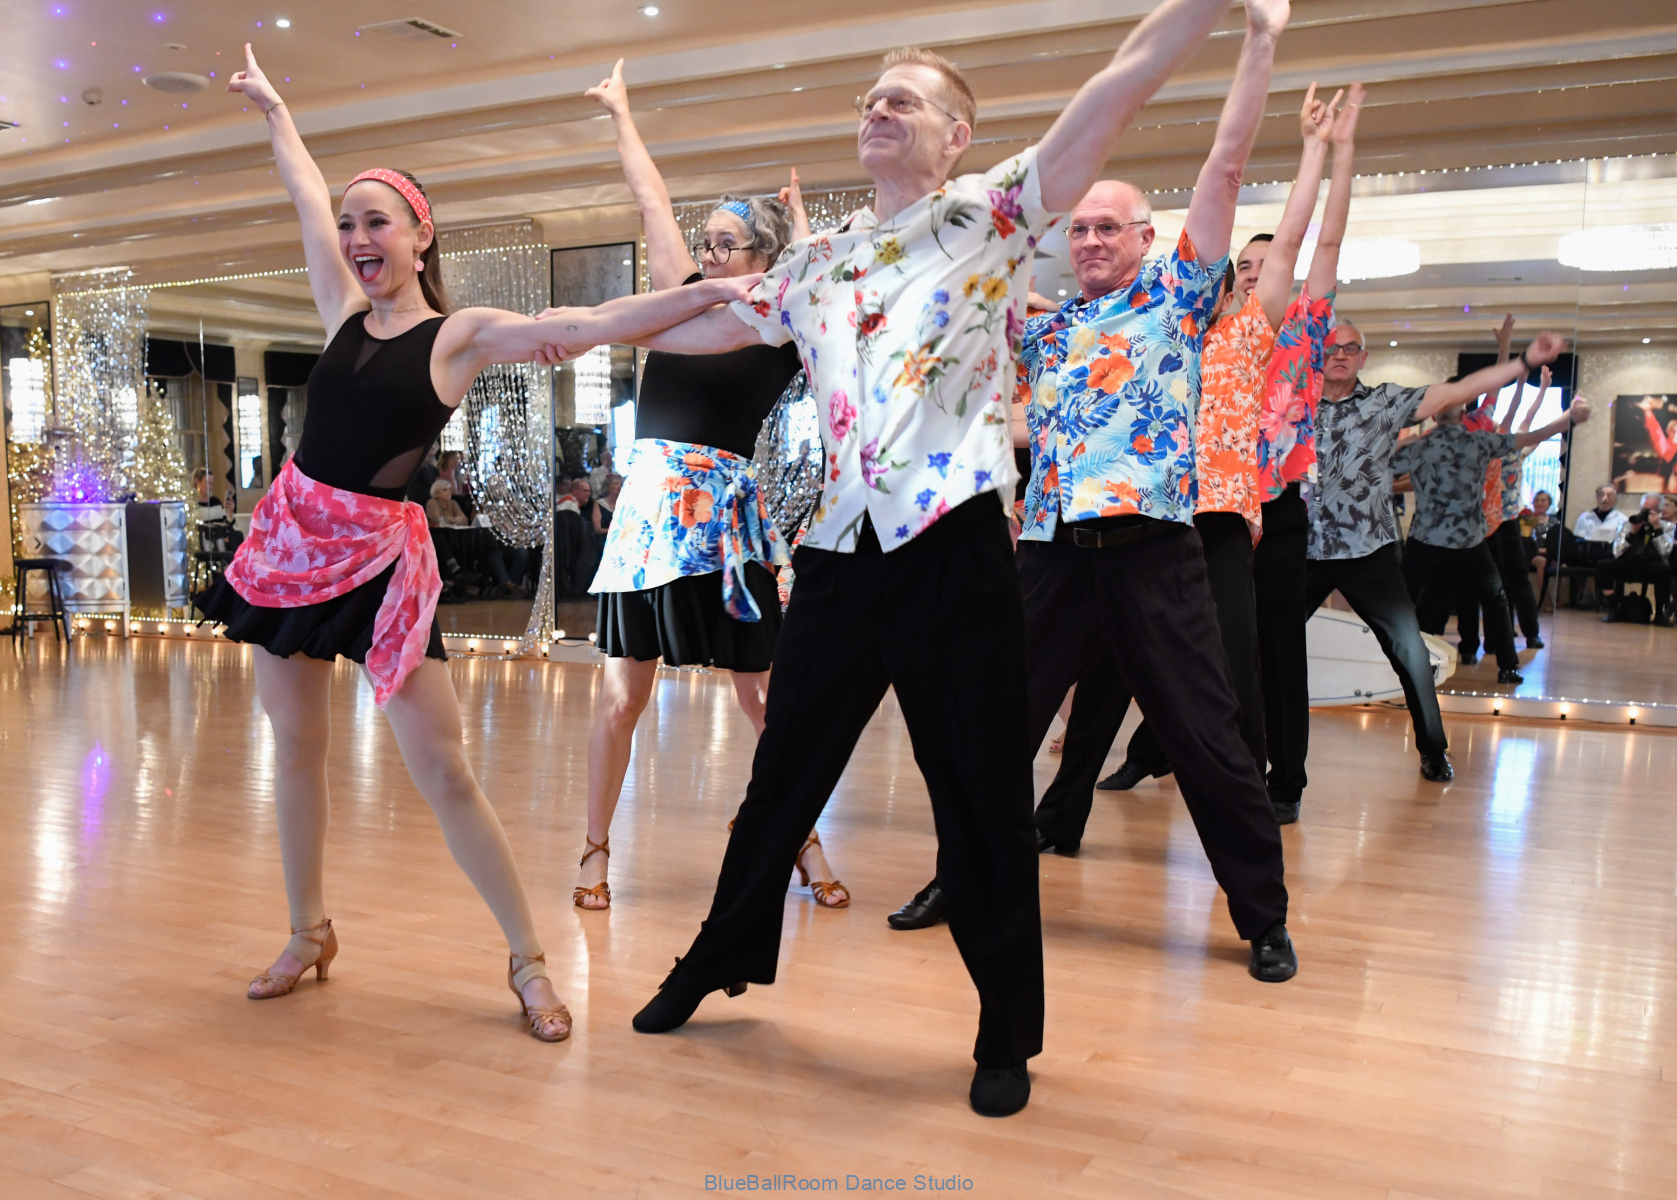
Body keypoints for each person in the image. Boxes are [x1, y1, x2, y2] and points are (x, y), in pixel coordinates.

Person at [588, 0, 1241, 1118]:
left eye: (904, 99)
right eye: (870, 99)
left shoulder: (990, 214)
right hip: (840, 552)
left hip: (952, 547)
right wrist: (563, 330)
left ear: (954, 136)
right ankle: (717, 956)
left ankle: (1004, 1029)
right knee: (782, 775)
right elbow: (699, 329)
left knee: (980, 793)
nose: (878, 109)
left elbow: (1118, 87)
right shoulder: (819, 260)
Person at [202, 45, 760, 1043]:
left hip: (382, 564)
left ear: (422, 236)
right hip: (290, 546)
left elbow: (594, 322)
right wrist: (276, 111)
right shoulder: (340, 314)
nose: (355, 237)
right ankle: (308, 931)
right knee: (296, 747)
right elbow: (301, 192)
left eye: (377, 221)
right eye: (349, 224)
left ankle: (528, 960)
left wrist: (710, 294)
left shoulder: (456, 336)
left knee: (445, 770)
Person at [567, 60, 847, 915]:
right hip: (651, 515)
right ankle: (593, 850)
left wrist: (806, 237)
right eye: (709, 241)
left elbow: (831, 287)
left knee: (762, 698)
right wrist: (620, 112)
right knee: (622, 695)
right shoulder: (679, 299)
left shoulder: (781, 328)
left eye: (728, 243)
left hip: (725, 519)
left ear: (763, 256)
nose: (710, 254)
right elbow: (649, 198)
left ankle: (799, 838)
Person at [1086, 81, 1362, 829]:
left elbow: (1311, 245)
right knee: (1137, 651)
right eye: (1242, 266)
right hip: (1174, 507)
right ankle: (1125, 765)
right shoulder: (1179, 335)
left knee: (1252, 657)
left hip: (1254, 510)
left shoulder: (1277, 331)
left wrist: (1323, 151)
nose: (1252, 273)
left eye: (1262, 267)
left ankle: (1273, 782)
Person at [1304, 320, 1569, 781]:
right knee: (1259, 643)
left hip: (1369, 552)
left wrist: (1524, 361)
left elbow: (1461, 389)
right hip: (1305, 551)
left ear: (1363, 357)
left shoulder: (1384, 402)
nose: (1340, 354)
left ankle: (1433, 749)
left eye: (1350, 347)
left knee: (1410, 650)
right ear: (1316, 354)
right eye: (1331, 347)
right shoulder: (1295, 406)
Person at [1397, 395, 1590, 682]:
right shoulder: (1479, 443)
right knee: (1495, 599)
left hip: (1425, 539)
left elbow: (1373, 467)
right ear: (1463, 415)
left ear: (1434, 417)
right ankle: (1508, 667)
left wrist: (1401, 442)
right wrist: (1570, 418)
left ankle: (1400, 666)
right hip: (1469, 540)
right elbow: (1531, 437)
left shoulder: (1419, 446)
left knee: (1407, 602)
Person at [1598, 493, 1674, 625]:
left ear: (1658, 511)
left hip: (1652, 564)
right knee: (1603, 566)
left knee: (1664, 570)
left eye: (1650, 510)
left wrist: (1657, 528)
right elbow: (1617, 552)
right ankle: (1613, 609)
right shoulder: (1626, 524)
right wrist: (1632, 532)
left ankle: (1659, 614)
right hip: (1628, 561)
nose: (1645, 514)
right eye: (1643, 509)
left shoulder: (1668, 526)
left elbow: (1665, 551)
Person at [1526, 488, 1561, 610]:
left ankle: (1556, 599)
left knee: (1558, 562)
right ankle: (1545, 600)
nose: (1540, 503)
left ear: (1549, 503)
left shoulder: (1554, 521)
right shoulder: (1527, 520)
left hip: (1549, 552)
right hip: (1531, 553)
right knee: (1542, 561)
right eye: (1537, 500)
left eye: (1543, 500)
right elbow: (1525, 540)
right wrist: (1538, 550)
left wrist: (1549, 550)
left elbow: (1557, 540)